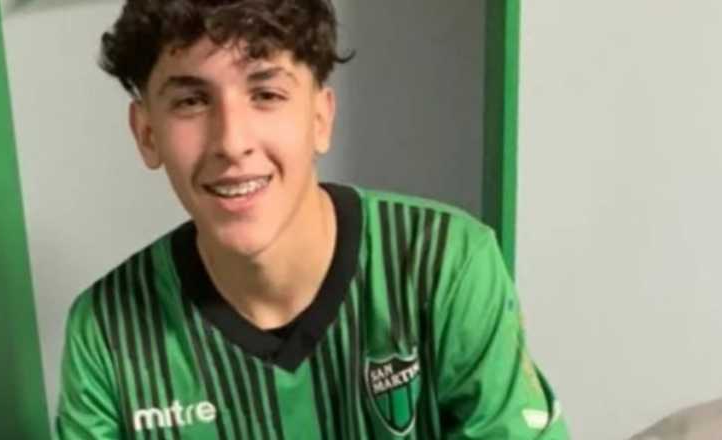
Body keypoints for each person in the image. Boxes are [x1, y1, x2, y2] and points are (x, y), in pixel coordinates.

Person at [55, 0, 568, 438]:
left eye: (266, 94)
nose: (232, 141)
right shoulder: (106, 332)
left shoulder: (445, 263)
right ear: (147, 134)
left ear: (320, 118)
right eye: (191, 101)